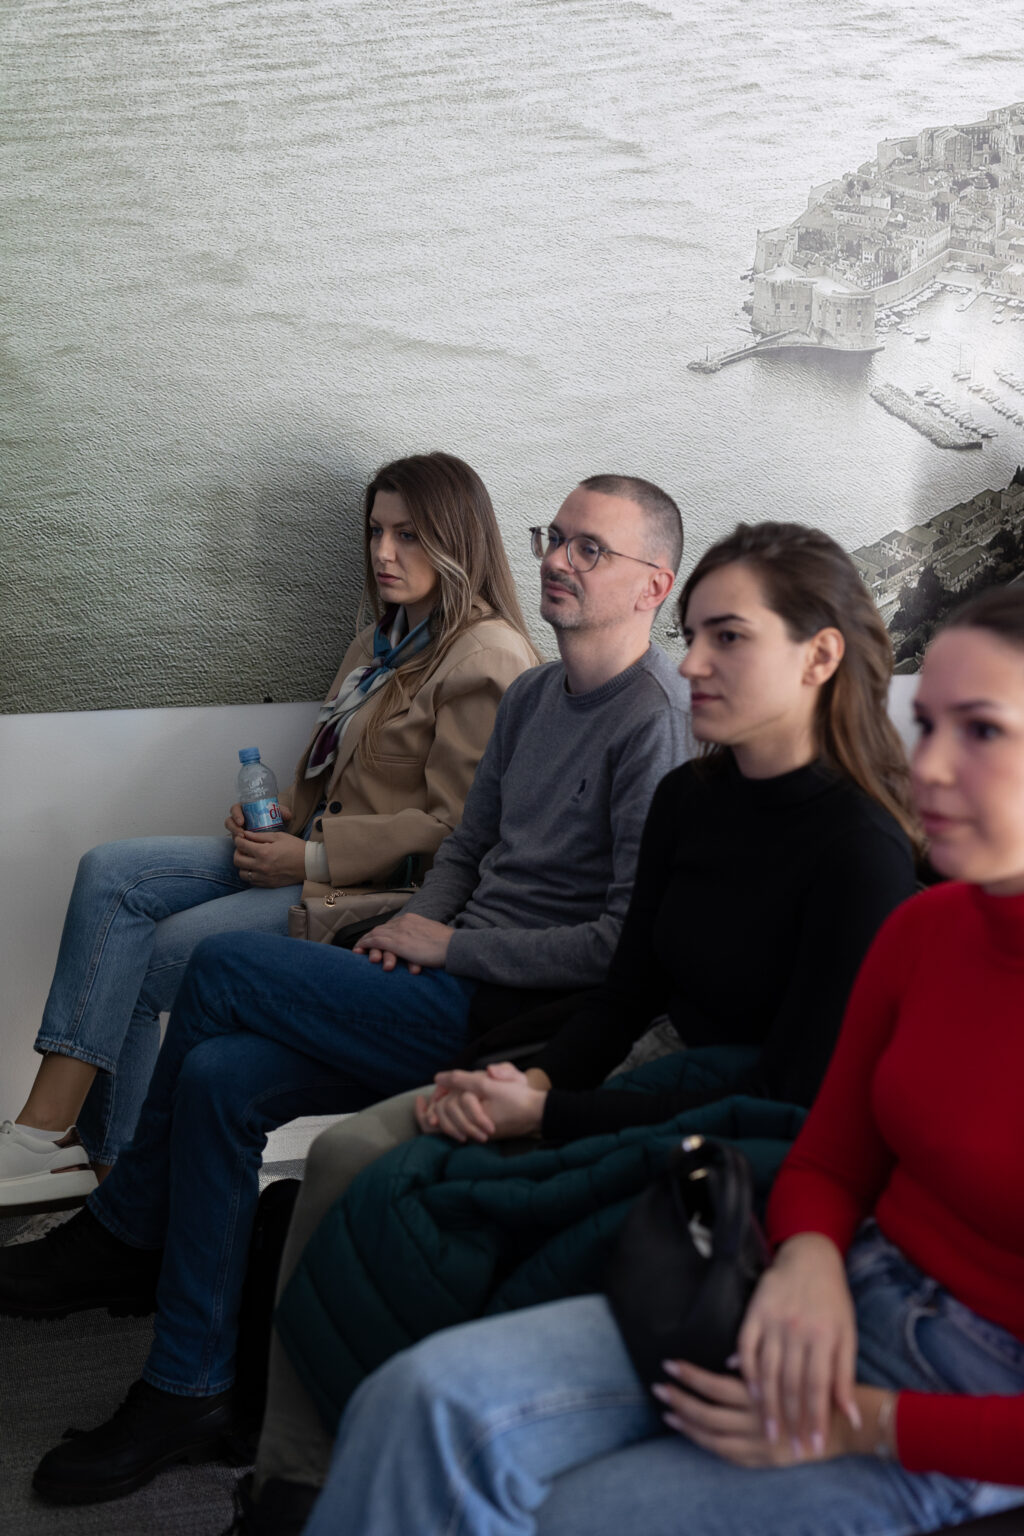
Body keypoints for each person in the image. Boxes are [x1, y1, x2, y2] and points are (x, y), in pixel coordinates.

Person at [1, 473, 694, 1505]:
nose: (557, 558)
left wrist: (447, 947)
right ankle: (188, 1385)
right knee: (220, 1077)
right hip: (443, 973)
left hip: (516, 1021)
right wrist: (414, 932)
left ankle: (123, 1226)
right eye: (555, 537)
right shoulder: (535, 695)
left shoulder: (655, 724)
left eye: (590, 548)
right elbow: (465, 849)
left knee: (220, 964)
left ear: (653, 585)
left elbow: (620, 948)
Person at [238, 520, 920, 1535]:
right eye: (693, 634)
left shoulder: (861, 851)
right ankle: (291, 1488)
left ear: (819, 656)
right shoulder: (692, 797)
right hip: (629, 1069)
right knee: (346, 1157)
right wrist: (541, 1083)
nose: (692, 663)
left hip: (728, 1130)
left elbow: (787, 1095)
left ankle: (380, 1471)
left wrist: (550, 1116)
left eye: (728, 637)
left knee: (409, 1194)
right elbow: (626, 989)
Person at [0, 450, 537, 1210]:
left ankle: (114, 1178)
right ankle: (61, 1138)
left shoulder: (486, 656)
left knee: (141, 961)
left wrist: (310, 857)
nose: (384, 553)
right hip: (304, 849)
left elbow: (457, 829)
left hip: (370, 891)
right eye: (376, 531)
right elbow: (343, 771)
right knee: (110, 871)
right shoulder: (381, 639)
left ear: (459, 539)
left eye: (409, 535)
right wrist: (279, 809)